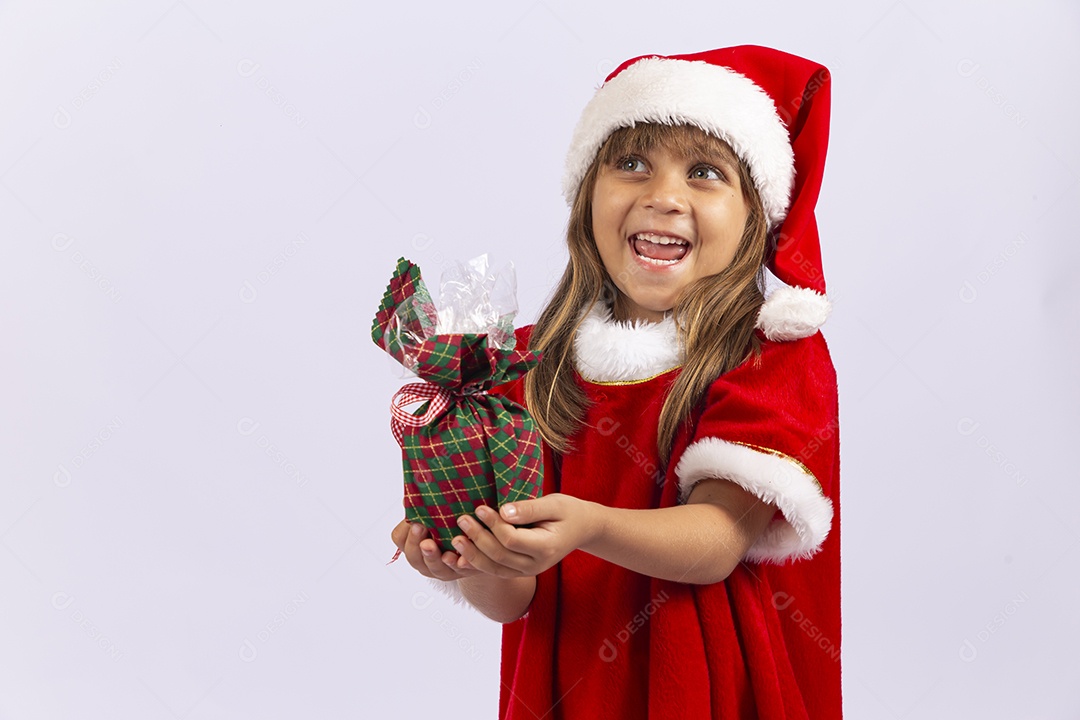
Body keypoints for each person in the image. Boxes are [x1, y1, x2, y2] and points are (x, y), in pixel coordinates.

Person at [391, 45, 841, 719]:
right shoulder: (524, 366)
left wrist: (588, 526)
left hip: (707, 695)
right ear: (587, 197)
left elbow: (717, 542)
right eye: (631, 163)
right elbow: (515, 599)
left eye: (704, 172)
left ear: (756, 218)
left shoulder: (769, 355)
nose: (662, 196)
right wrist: (479, 559)